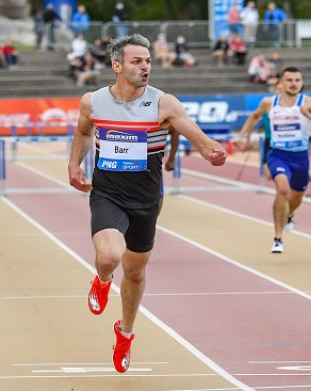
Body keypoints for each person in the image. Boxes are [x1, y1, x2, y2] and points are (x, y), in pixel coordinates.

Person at [68, 34, 227, 373]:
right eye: (137, 61)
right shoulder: (92, 102)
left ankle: (124, 333)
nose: (145, 67)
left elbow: (194, 134)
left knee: (136, 270)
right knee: (110, 255)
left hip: (147, 199)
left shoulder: (163, 103)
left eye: (148, 61)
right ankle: (102, 277)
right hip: (108, 193)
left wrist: (211, 150)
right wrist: (74, 164)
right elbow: (83, 133)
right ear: (117, 66)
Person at [234, 67, 311, 254]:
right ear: (282, 83)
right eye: (290, 80)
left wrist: (309, 115)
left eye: (297, 80)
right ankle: (278, 238)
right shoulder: (269, 103)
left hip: (300, 157)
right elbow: (253, 117)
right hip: (278, 154)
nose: (294, 84)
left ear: (301, 83)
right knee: (283, 189)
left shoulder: (310, 103)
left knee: (296, 197)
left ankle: (289, 215)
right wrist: (241, 137)